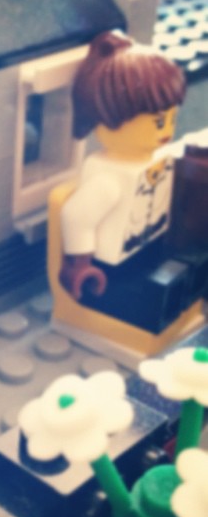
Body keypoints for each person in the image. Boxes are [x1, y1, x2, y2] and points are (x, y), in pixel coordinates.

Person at [58, 30, 201, 333]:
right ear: (108, 118)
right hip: (112, 269)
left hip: (150, 245)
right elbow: (76, 216)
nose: (167, 130)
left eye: (171, 118)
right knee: (150, 298)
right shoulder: (109, 178)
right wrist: (80, 264)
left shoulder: (158, 158)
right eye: (159, 122)